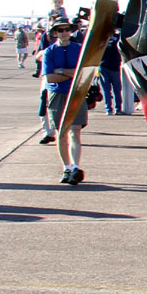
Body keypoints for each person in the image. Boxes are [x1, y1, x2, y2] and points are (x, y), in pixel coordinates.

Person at [40, 22, 87, 184]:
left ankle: (75, 166)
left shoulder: (79, 48)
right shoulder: (49, 52)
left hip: (76, 93)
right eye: (60, 30)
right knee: (61, 132)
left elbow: (83, 72)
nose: (64, 33)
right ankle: (67, 166)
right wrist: (71, 74)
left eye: (67, 30)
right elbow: (49, 77)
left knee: (75, 130)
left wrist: (60, 71)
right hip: (57, 93)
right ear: (55, 33)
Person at [99, 31, 123, 114]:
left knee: (108, 89)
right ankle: (116, 109)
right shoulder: (118, 37)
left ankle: (110, 109)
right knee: (115, 89)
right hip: (112, 66)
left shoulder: (101, 38)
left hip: (105, 65)